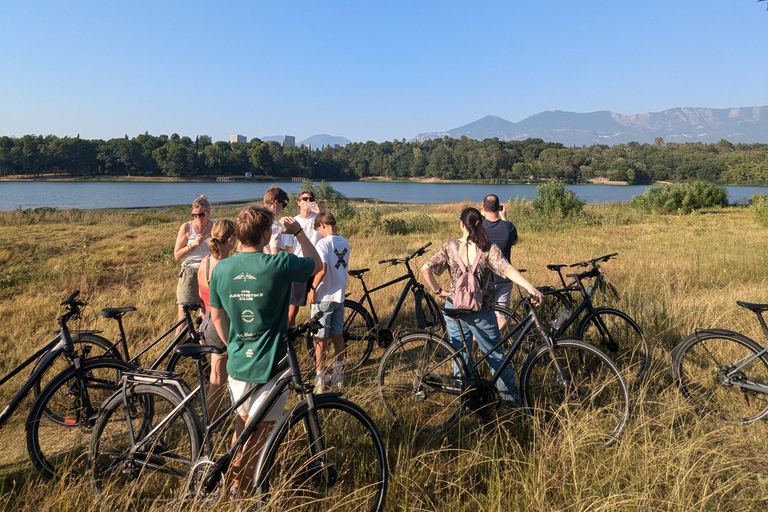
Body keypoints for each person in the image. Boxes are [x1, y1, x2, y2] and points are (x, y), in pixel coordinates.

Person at [209, 204, 321, 498]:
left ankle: (234, 486)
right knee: (259, 440)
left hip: (237, 361)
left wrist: (234, 343)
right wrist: (298, 232)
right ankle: (243, 494)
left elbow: (217, 316)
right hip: (270, 363)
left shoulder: (222, 268)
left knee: (242, 425)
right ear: (264, 233)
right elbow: (316, 262)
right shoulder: (279, 264)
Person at [421, 207, 542, 406]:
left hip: (454, 309)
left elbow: (425, 269)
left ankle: (465, 402)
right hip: (481, 311)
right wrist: (529, 286)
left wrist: (438, 291)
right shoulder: (488, 248)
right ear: (480, 224)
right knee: (495, 357)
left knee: (459, 355)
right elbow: (507, 268)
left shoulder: (449, 247)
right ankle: (512, 403)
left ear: (461, 224)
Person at [197, 219, 236, 422]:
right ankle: (209, 423)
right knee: (218, 380)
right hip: (220, 324)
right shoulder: (226, 265)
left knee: (217, 376)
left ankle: (217, 417)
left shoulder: (204, 261)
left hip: (206, 321)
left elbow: (201, 296)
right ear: (230, 240)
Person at [307, 211, 350, 392]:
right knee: (338, 335)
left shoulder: (323, 243)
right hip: (339, 295)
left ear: (322, 225)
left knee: (320, 339)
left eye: (319, 229)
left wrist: (313, 288)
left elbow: (322, 269)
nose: (320, 233)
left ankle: (319, 378)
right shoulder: (344, 242)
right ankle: (338, 374)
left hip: (324, 296)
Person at [173, 195, 214, 327]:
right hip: (190, 271)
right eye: (194, 215)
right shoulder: (186, 227)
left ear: (208, 212)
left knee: (207, 315)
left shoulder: (215, 226)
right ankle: (178, 346)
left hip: (209, 271)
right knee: (183, 320)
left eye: (201, 214)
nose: (197, 218)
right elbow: (177, 255)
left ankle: (201, 344)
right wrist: (193, 245)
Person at [481, 194, 519, 330]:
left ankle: (475, 347)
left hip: (483, 279)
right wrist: (504, 218)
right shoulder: (508, 226)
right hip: (504, 276)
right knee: (502, 315)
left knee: (479, 315)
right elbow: (514, 241)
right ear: (498, 208)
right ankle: (498, 345)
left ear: (483, 208)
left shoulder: (479, 227)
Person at [285, 190, 322, 327]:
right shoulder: (294, 222)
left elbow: (331, 231)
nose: (308, 201)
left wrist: (320, 213)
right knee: (292, 309)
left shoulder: (318, 220)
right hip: (300, 266)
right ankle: (290, 338)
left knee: (317, 305)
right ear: (298, 202)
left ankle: (315, 338)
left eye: (311, 199)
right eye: (305, 199)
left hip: (317, 266)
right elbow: (288, 248)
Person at [262, 186, 289, 254]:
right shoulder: (274, 226)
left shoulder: (252, 221)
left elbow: (240, 247)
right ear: (276, 203)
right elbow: (275, 255)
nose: (283, 209)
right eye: (283, 205)